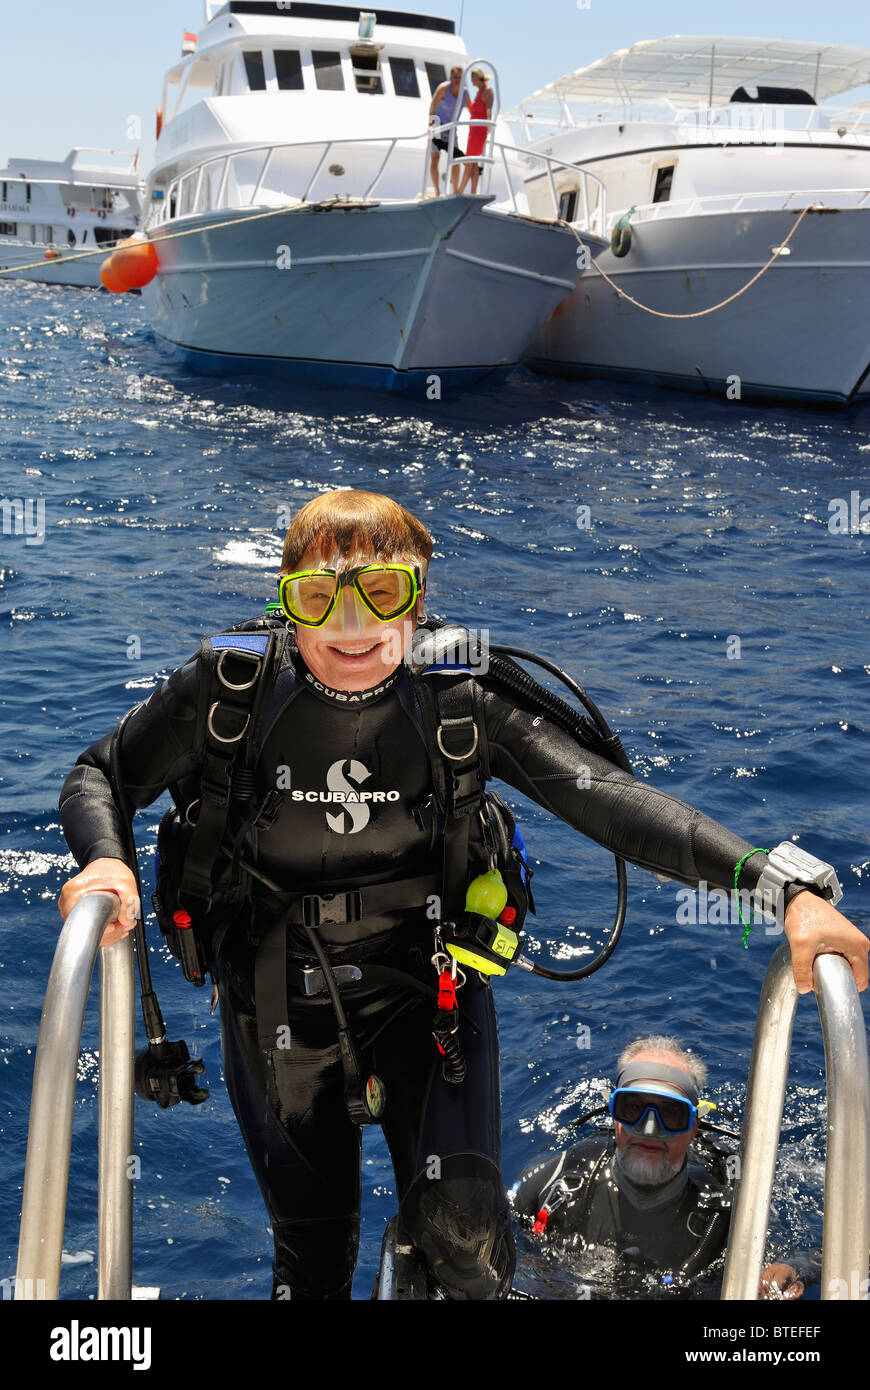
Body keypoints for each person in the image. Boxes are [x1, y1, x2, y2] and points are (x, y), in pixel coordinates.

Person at [56, 489, 868, 1301]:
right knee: (311, 1261)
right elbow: (101, 774)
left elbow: (612, 802)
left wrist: (784, 888)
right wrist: (105, 862)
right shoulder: (229, 687)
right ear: (286, 601)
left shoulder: (456, 693)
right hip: (275, 1003)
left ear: (418, 599)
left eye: (382, 592)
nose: (350, 625)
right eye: (317, 596)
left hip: (430, 996)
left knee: (467, 1240)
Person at [511, 1035, 813, 1299]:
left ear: (694, 1126)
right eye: (633, 1109)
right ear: (614, 1115)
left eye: (671, 1114)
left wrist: (789, 1269)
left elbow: (825, 1254)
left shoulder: (725, 1210)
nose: (650, 1128)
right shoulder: (559, 1178)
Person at [428, 66, 470, 196]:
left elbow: (473, 110)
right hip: (438, 126)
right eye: (455, 77)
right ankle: (437, 191)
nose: (457, 79)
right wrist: (430, 124)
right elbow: (432, 107)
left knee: (455, 159)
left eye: (459, 77)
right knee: (435, 158)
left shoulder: (465, 94)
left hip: (451, 129)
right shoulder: (443, 88)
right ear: (450, 78)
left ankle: (456, 191)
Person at [458, 69, 493, 195]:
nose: (472, 83)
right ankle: (472, 191)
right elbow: (473, 110)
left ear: (477, 78)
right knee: (473, 162)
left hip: (479, 130)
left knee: (469, 160)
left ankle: (460, 190)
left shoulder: (487, 91)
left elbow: (488, 109)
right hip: (473, 130)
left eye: (473, 80)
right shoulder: (478, 92)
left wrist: (489, 122)